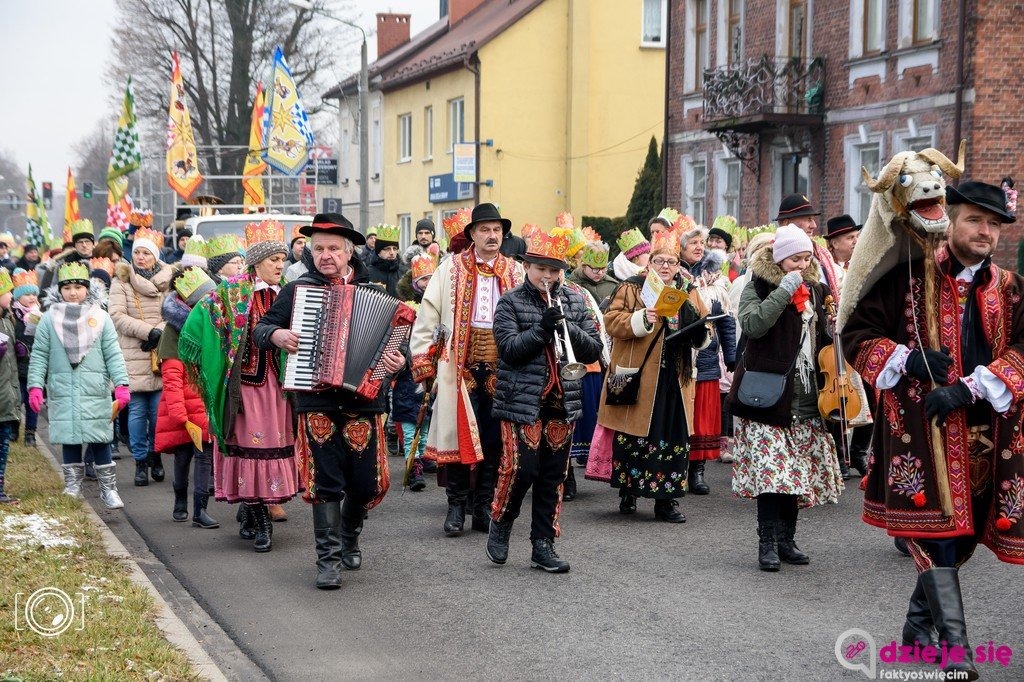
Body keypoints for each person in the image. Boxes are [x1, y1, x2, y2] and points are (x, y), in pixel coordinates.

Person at [842, 180, 1024, 679]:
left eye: (992, 224)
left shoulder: (1010, 290)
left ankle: (916, 634)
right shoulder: (906, 279)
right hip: (922, 437)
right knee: (938, 535)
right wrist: (908, 360)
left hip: (988, 437)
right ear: (951, 222)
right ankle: (955, 651)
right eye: (973, 220)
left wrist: (971, 389)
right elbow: (855, 335)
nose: (984, 231)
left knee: (960, 539)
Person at [251, 212, 403, 587]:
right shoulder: (298, 290)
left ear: (349, 252)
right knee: (325, 481)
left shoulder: (377, 292)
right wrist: (277, 336)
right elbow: (260, 328)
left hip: (364, 402)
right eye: (319, 249)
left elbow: (398, 345)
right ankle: (329, 560)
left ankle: (351, 535)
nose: (325, 255)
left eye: (333, 248)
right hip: (315, 399)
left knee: (367, 483)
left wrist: (398, 363)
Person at [727, 225, 843, 571]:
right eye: (795, 258)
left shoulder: (819, 291)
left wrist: (832, 324)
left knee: (797, 474)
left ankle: (787, 540)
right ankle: (767, 543)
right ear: (779, 259)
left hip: (807, 395)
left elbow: (825, 342)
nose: (802, 264)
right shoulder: (758, 286)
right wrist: (783, 291)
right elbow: (753, 325)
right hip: (768, 395)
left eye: (807, 258)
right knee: (772, 476)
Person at [487, 227, 603, 572]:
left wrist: (567, 324)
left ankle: (543, 544)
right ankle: (502, 521)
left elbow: (594, 349)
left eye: (555, 270)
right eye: (541, 269)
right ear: (526, 266)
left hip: (561, 401)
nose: (548, 277)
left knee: (553, 475)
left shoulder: (575, 300)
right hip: (521, 401)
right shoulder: (510, 302)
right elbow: (508, 350)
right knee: (521, 470)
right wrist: (541, 329)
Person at [181, 218, 300, 553]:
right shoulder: (232, 293)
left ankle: (252, 512)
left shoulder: (288, 294)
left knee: (272, 450)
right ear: (256, 262)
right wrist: (213, 353)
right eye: (273, 259)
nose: (280, 265)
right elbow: (195, 324)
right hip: (244, 388)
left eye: (282, 259)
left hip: (278, 389)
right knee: (250, 451)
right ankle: (260, 520)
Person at [410, 203, 524, 536]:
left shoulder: (516, 272)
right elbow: (428, 315)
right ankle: (456, 506)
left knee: (494, 440)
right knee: (458, 438)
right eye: (485, 230)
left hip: (503, 368)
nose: (492, 236)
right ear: (472, 234)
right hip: (458, 366)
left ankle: (482, 507)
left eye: (497, 230)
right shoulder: (450, 268)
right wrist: (423, 359)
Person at [598, 228, 710, 523]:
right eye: (659, 260)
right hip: (639, 372)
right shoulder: (632, 287)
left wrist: (701, 333)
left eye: (671, 262)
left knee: (672, 435)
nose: (665, 267)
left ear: (678, 264)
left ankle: (667, 501)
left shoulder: (689, 289)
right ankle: (628, 490)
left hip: (675, 375)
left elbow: (703, 323)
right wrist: (639, 319)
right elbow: (611, 321)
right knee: (635, 432)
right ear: (649, 263)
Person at [27, 262, 131, 508]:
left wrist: (121, 383)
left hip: (94, 388)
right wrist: (34, 386)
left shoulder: (101, 317)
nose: (73, 292)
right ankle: (72, 485)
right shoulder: (48, 320)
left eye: (78, 287)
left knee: (101, 437)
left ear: (88, 288)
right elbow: (39, 354)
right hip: (63, 388)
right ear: (59, 290)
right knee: (70, 438)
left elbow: (113, 353)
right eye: (67, 287)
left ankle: (109, 489)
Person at [155, 266, 218, 528]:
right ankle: (180, 499)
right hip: (182, 409)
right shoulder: (174, 332)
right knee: (182, 460)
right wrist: (180, 415)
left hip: (205, 407)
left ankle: (199, 511)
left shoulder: (212, 325)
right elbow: (171, 378)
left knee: (204, 458)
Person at [108, 227, 172, 487]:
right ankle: (140, 462)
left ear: (156, 256)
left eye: (146, 252)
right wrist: (149, 332)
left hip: (162, 353)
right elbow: (117, 316)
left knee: (158, 412)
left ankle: (155, 455)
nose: (141, 257)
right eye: (137, 252)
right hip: (133, 352)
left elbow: (177, 311)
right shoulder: (121, 281)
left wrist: (162, 333)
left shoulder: (169, 280)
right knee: (136, 411)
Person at [394, 252, 438, 491]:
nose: (428, 284)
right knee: (411, 421)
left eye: (431, 278)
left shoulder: (439, 305)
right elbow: (398, 340)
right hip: (408, 374)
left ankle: (424, 454)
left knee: (427, 417)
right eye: (423, 279)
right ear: (414, 282)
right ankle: (414, 464)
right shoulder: (405, 308)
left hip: (431, 371)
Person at [11, 269, 41, 447]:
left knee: (32, 402)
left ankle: (31, 432)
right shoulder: (13, 315)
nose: (31, 298)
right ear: (18, 297)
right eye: (27, 294)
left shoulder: (38, 314)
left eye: (34, 294)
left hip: (33, 365)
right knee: (17, 399)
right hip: (16, 365)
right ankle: (14, 427)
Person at [0, 270, 21, 503]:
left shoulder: (7, 320)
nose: (11, 296)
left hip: (6, 394)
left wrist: (19, 351)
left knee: (3, 443)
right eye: (7, 291)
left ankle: (0, 486)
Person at [568, 240, 618, 307]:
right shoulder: (572, 284)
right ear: (584, 266)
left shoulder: (612, 285)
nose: (600, 273)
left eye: (603, 268)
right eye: (596, 269)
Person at [365, 224, 403, 297]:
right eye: (387, 249)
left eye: (394, 248)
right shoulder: (367, 273)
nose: (392, 253)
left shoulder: (404, 272)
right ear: (378, 252)